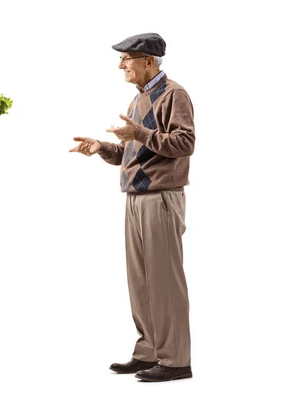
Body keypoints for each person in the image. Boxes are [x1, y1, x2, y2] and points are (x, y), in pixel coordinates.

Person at [70, 33, 195, 382]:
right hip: (136, 198)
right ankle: (149, 352)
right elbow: (135, 152)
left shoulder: (175, 95)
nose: (121, 65)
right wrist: (102, 148)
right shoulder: (137, 101)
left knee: (165, 281)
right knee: (140, 281)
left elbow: (185, 142)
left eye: (127, 58)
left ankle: (175, 361)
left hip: (162, 198)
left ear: (150, 61)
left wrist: (138, 134)